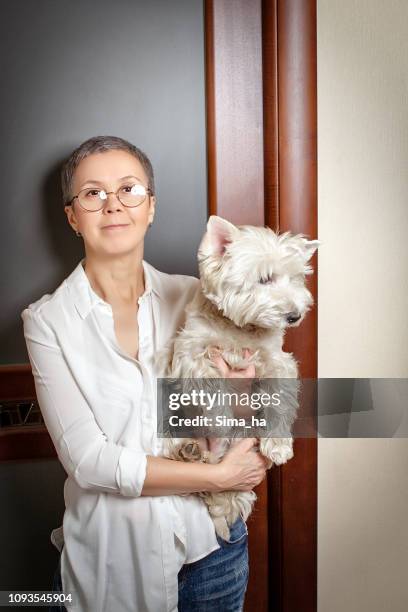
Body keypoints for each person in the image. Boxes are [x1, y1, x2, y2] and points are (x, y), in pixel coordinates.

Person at [21, 135, 268, 612]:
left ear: (150, 207)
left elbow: (252, 413)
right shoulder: (47, 322)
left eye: (129, 189)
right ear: (73, 216)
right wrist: (219, 477)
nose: (113, 204)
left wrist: (242, 396)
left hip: (212, 549)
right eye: (93, 193)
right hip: (111, 558)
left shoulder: (195, 298)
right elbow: (90, 462)